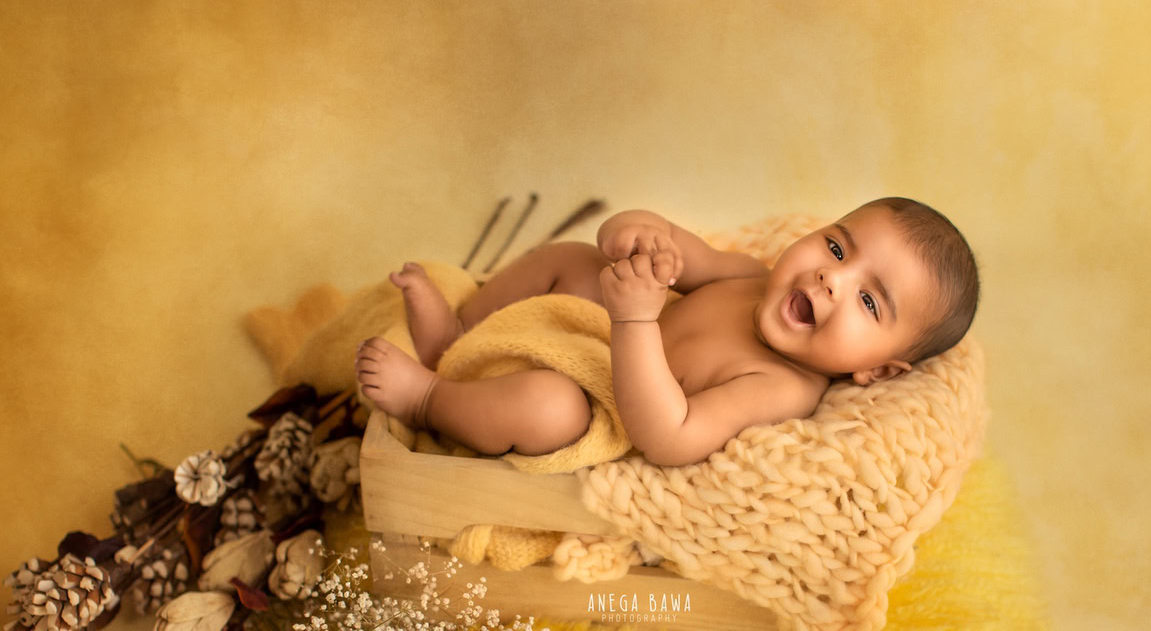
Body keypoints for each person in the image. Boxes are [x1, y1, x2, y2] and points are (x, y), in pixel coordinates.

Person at [354, 197, 980, 466]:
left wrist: (634, 320)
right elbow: (685, 251)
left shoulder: (783, 386)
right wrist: (642, 233)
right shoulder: (753, 276)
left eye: (870, 301)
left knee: (549, 407)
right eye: (838, 248)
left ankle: (430, 397)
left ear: (875, 370)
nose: (830, 281)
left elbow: (671, 436)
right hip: (599, 336)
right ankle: (458, 334)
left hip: (606, 410)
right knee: (576, 259)